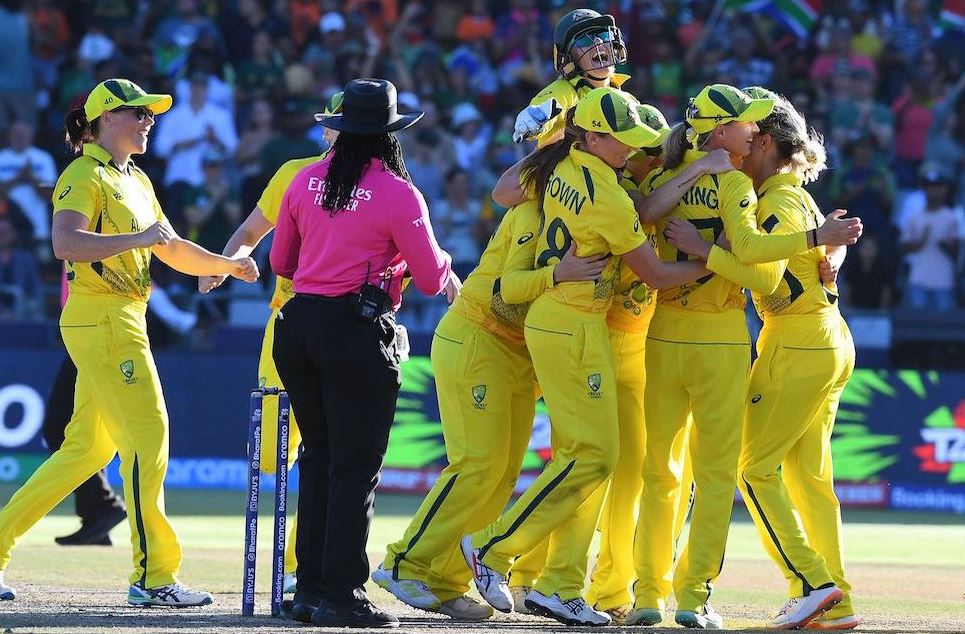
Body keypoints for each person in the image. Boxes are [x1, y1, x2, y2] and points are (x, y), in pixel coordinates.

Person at [0, 78, 259, 606]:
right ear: (103, 119)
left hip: (121, 318)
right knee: (148, 436)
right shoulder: (82, 173)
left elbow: (170, 246)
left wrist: (225, 264)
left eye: (149, 113)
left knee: (86, 450)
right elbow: (64, 243)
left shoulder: (135, 178)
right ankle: (154, 577)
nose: (148, 120)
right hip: (103, 318)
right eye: (136, 112)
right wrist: (140, 239)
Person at [460, 87, 714, 618]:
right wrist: (716, 263)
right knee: (593, 459)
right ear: (595, 137)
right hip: (582, 327)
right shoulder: (609, 192)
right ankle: (500, 551)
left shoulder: (573, 166)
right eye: (629, 144)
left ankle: (563, 583)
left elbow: (513, 189)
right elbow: (655, 266)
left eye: (642, 146)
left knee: (596, 464)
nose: (638, 155)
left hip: (580, 325)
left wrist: (552, 139)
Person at [631, 83, 861, 629]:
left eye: (758, 131)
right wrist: (829, 247)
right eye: (744, 126)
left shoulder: (769, 197)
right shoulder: (767, 192)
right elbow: (808, 248)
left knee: (743, 470)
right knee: (805, 481)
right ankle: (830, 601)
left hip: (791, 340)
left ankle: (813, 584)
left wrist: (705, 250)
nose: (751, 136)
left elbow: (765, 265)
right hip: (805, 336)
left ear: (765, 146)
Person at [269, 78, 459, 628]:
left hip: (300, 326)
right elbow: (429, 278)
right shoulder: (400, 192)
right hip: (355, 330)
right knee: (355, 468)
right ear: (389, 135)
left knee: (322, 460)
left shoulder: (304, 180)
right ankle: (342, 596)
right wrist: (423, 263)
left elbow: (283, 262)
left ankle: (309, 591)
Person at [199, 91, 344, 594]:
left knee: (326, 452)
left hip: (344, 328)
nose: (339, 134)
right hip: (287, 320)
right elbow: (251, 230)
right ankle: (289, 570)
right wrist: (225, 263)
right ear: (325, 130)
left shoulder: (385, 183)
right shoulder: (293, 174)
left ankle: (303, 569)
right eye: (335, 125)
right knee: (270, 454)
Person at [43, 268, 126, 547]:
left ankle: (102, 507)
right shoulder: (74, 226)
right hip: (86, 331)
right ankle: (97, 517)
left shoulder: (85, 225)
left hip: (95, 331)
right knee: (79, 429)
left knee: (61, 428)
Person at [512, 8, 628, 146]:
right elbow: (551, 103)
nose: (598, 42)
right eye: (585, 39)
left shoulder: (623, 95)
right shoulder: (565, 91)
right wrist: (535, 117)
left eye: (602, 34)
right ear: (567, 58)